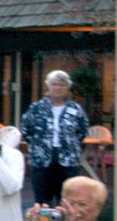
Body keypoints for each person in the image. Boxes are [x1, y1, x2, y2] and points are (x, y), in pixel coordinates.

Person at [20, 70, 90, 205]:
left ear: (67, 87)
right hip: (42, 161)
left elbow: (82, 131)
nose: (58, 88)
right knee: (42, 202)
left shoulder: (76, 109)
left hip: (68, 162)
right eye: (54, 84)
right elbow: (26, 128)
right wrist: (39, 146)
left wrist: (69, 145)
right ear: (49, 86)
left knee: (67, 201)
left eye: (61, 85)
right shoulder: (37, 108)